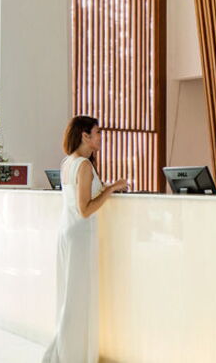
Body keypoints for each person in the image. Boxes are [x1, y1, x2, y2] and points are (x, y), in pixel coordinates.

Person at [43, 116, 127, 363]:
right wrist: (112, 188)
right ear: (85, 136)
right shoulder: (84, 166)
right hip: (79, 235)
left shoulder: (67, 162)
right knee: (78, 297)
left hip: (67, 231)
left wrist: (106, 187)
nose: (100, 137)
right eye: (97, 132)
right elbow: (85, 209)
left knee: (70, 295)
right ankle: (73, 355)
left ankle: (68, 352)